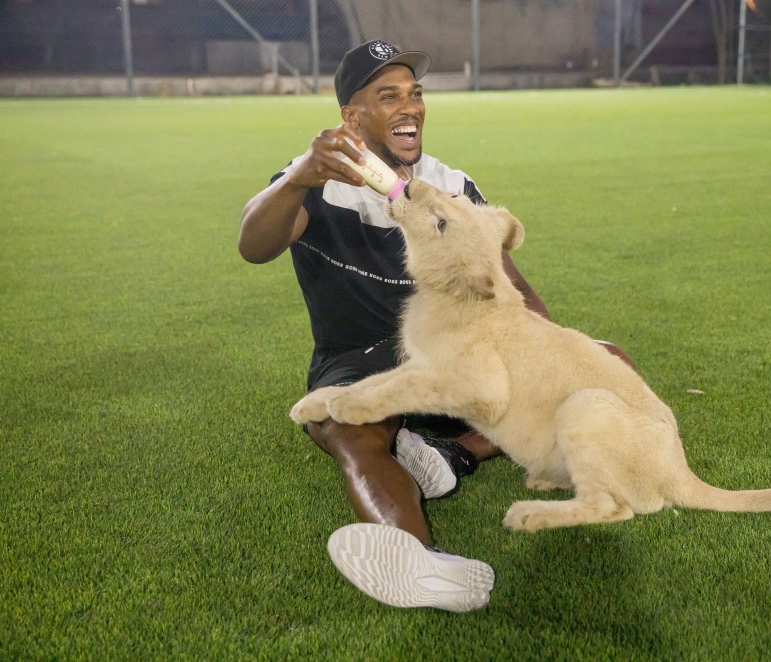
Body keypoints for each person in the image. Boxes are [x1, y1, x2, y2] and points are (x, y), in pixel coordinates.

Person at [239, 40, 632, 613]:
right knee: (343, 422)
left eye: (415, 93)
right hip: (360, 358)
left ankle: (454, 457)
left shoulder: (452, 184)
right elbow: (254, 245)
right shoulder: (314, 183)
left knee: (608, 360)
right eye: (388, 95)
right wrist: (299, 176)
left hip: (453, 359)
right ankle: (421, 563)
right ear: (352, 115)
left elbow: (511, 284)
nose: (410, 106)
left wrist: (551, 359)